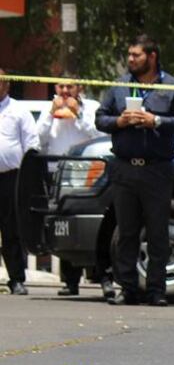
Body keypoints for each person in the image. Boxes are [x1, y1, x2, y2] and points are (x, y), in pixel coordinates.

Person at [96, 35, 174, 307]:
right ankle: (126, 288)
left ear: (152, 57)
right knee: (127, 232)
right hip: (125, 169)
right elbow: (100, 119)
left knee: (157, 232)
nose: (130, 60)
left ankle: (156, 291)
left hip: (157, 170)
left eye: (136, 55)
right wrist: (119, 120)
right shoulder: (119, 85)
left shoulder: (172, 86)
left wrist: (157, 121)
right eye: (129, 55)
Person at [36, 75, 103, 295]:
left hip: (88, 172)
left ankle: (101, 277)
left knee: (89, 223)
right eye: (61, 86)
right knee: (62, 223)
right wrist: (49, 114)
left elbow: (98, 134)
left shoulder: (92, 107)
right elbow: (39, 138)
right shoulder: (51, 109)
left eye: (70, 86)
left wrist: (79, 114)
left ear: (79, 88)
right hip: (58, 173)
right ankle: (70, 281)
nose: (65, 91)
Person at [0, 69, 39, 295]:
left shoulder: (18, 110)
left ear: (6, 85)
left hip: (10, 178)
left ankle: (16, 279)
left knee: (11, 229)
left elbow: (31, 144)